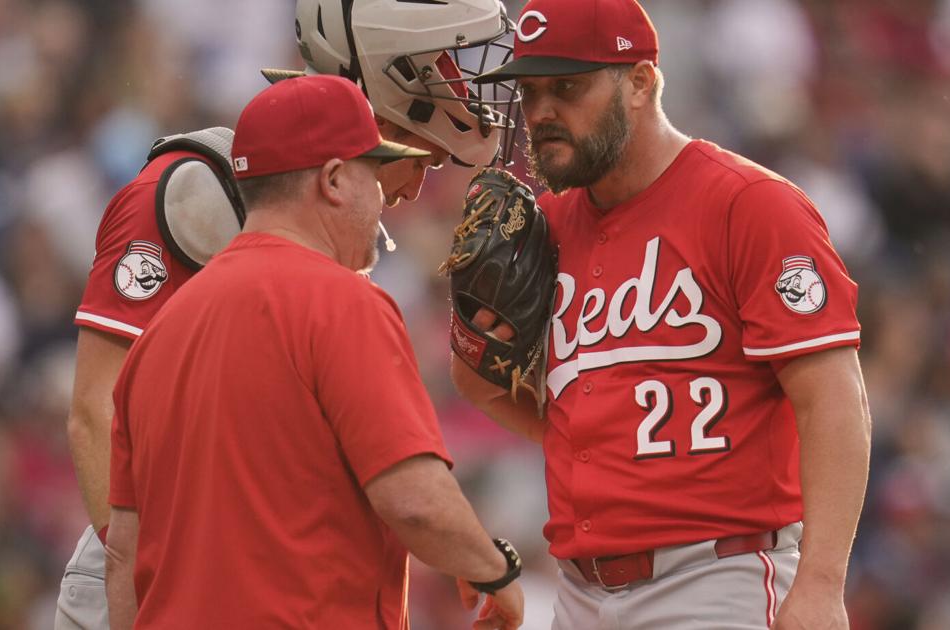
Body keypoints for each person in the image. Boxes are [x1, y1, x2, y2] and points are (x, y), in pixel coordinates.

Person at [54, 0, 517, 626]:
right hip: (162, 569)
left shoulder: (313, 240)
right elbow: (93, 411)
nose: (411, 187)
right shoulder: (196, 192)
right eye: (419, 160)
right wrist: (169, 567)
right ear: (335, 174)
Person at [455, 0, 873, 628]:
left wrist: (819, 583)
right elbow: (479, 385)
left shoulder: (750, 206)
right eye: (531, 90)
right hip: (578, 591)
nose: (542, 112)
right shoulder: (546, 226)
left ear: (641, 81)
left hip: (715, 577)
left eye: (568, 87)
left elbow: (833, 399)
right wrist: (602, 445)